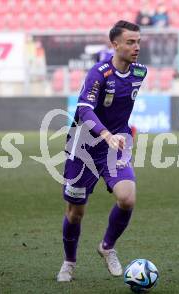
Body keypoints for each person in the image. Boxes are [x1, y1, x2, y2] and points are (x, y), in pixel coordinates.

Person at [57, 20, 147, 282]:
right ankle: (69, 263)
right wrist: (105, 133)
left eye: (138, 41)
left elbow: (121, 105)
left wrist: (122, 132)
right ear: (115, 44)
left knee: (127, 197)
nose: (136, 47)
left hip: (115, 145)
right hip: (84, 146)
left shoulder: (140, 73)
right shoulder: (99, 73)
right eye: (130, 42)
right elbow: (84, 109)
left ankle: (107, 247)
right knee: (75, 212)